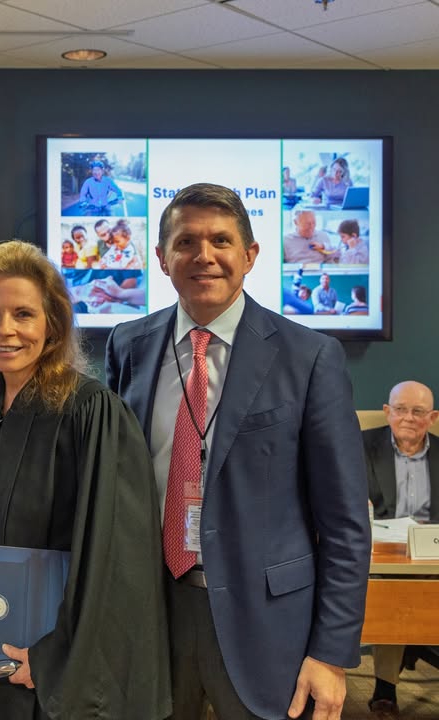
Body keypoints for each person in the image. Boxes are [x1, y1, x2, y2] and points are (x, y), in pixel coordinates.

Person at [105, 183, 370, 720]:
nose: (204, 256)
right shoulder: (127, 345)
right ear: (161, 258)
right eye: (186, 242)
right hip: (152, 612)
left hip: (270, 626)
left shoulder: (310, 356)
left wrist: (331, 654)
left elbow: (344, 524)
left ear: (250, 256)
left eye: (221, 241)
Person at [0, 240, 170, 719]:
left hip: (55, 667)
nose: (5, 329)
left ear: (52, 325)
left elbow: (118, 561)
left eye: (24, 314)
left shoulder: (91, 413)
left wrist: (55, 657)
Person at [363, 381, 439, 716]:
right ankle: (385, 689)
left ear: (432, 417)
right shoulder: (360, 447)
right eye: (400, 409)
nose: (408, 418)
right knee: (392, 592)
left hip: (432, 553)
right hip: (382, 552)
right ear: (387, 412)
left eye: (418, 411)